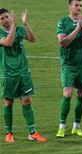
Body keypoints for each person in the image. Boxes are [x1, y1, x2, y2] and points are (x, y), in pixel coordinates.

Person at [0, 8, 47, 143]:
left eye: (6, 17)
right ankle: (9, 133)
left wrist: (25, 24)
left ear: (10, 17)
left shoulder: (19, 29)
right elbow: (7, 43)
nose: (5, 20)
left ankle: (32, 133)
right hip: (8, 73)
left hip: (23, 72)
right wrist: (14, 25)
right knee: (9, 101)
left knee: (26, 100)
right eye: (2, 18)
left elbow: (33, 39)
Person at [56, 0, 82, 138]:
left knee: (81, 94)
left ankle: (76, 127)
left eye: (81, 5)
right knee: (67, 94)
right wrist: (77, 29)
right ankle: (62, 127)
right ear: (70, 7)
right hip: (68, 65)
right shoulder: (62, 22)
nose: (79, 8)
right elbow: (63, 42)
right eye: (77, 5)